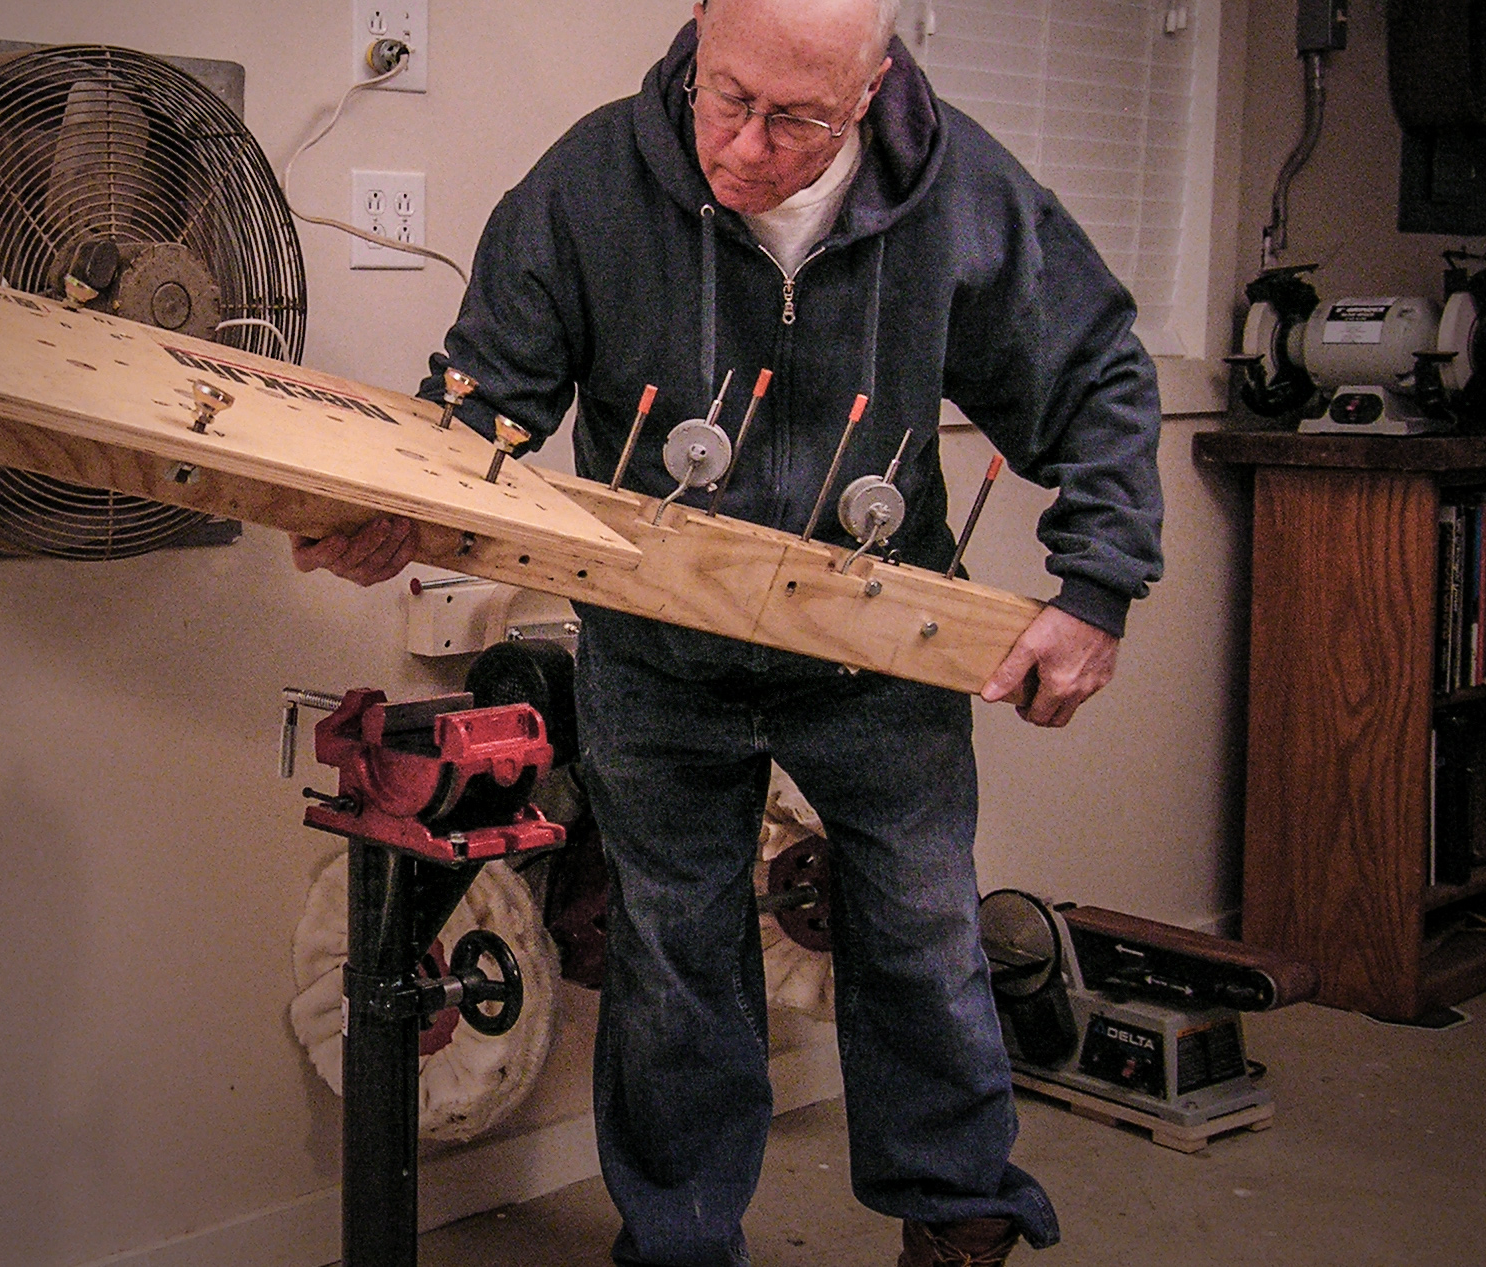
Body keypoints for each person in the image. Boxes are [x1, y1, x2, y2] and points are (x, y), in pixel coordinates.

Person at [295, 0, 1163, 1262]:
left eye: (797, 118)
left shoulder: (959, 189)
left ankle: (958, 1219)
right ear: (697, 36)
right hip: (660, 653)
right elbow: (485, 402)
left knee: (922, 934)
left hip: (881, 642)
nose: (746, 146)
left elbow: (1094, 376)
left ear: (870, 92)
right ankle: (681, 1239)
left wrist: (1096, 591)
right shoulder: (592, 180)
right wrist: (400, 510)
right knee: (671, 952)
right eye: (724, 96)